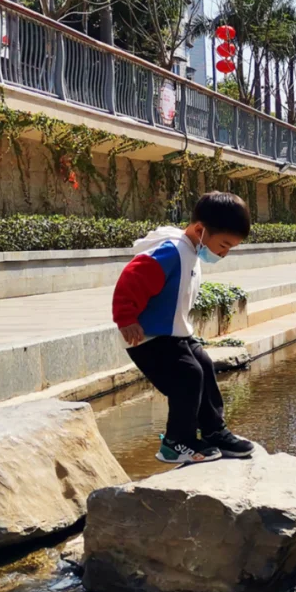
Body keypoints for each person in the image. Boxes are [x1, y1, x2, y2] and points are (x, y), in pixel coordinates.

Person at [112, 192, 257, 466]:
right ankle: (177, 441)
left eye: (230, 249)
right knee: (187, 376)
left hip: (173, 334)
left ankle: (214, 430)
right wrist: (126, 318)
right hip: (146, 336)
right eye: (223, 245)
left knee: (202, 364)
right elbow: (132, 278)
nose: (224, 253)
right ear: (201, 230)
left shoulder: (190, 250)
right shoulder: (172, 251)